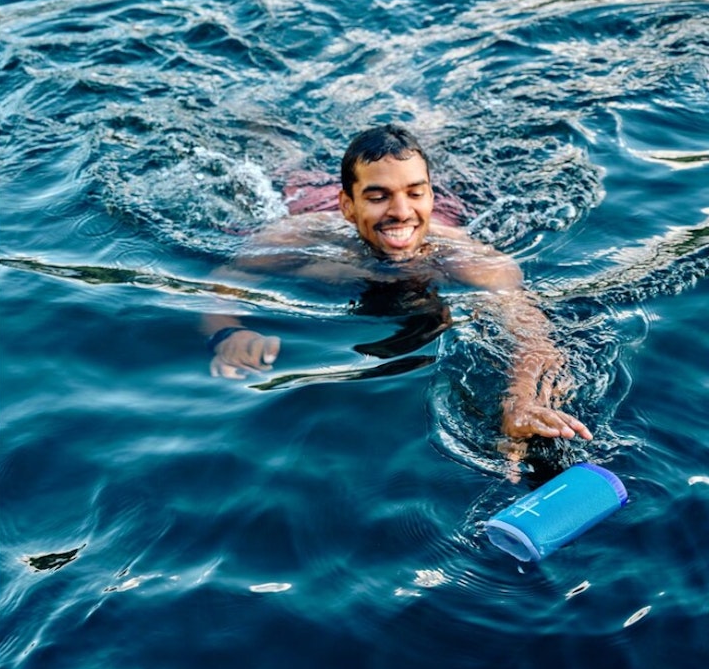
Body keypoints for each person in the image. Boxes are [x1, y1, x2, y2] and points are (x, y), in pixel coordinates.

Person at [203, 124, 592, 447]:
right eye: (378, 197)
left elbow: (529, 329)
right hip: (305, 191)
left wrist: (521, 400)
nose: (402, 212)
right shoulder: (301, 240)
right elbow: (228, 280)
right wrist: (227, 333)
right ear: (347, 206)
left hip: (459, 200)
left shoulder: (467, 258)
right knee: (276, 154)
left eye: (415, 193)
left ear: (430, 195)